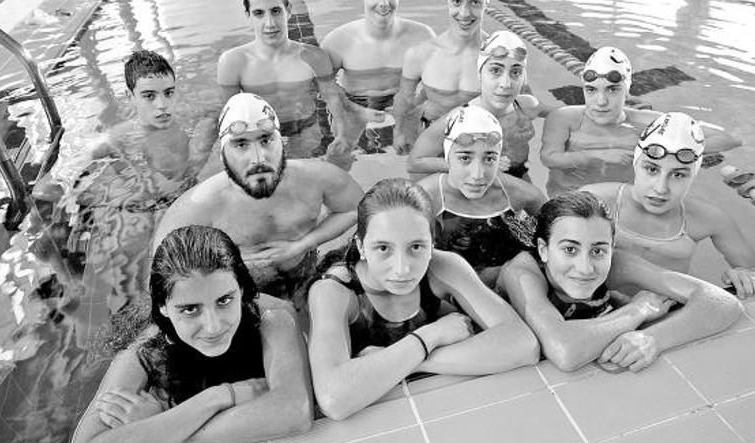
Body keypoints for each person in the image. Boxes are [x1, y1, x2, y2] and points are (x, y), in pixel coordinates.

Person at [306, 178, 539, 420]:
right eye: (383, 248)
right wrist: (432, 336)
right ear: (361, 246)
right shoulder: (334, 290)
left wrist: (414, 361)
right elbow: (333, 399)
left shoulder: (443, 266)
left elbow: (523, 344)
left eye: (416, 247)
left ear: (432, 243)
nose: (402, 269)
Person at [70, 225, 312, 443]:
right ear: (163, 306)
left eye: (224, 300)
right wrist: (217, 397)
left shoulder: (273, 317)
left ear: (241, 289)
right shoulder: (146, 348)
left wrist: (162, 429)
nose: (213, 326)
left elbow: (295, 412)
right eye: (190, 309)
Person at [497, 191, 743, 373]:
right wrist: (637, 310)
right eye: (570, 249)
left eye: (598, 250)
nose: (586, 267)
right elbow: (565, 351)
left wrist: (654, 339)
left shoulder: (617, 263)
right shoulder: (522, 274)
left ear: (611, 248)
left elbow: (723, 302)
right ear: (543, 249)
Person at [153, 93, 363, 302]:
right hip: (239, 296)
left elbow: (356, 208)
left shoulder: (317, 178)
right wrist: (232, 265)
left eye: (266, 140)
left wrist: (303, 244)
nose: (258, 157)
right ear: (222, 154)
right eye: (241, 144)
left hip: (305, 275)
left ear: (282, 142)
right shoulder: (198, 206)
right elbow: (161, 277)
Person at [68, 50, 216, 311]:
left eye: (169, 93)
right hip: (148, 210)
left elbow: (214, 115)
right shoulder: (120, 138)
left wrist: (200, 150)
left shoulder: (190, 120)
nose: (162, 105)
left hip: (186, 199)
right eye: (149, 96)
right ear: (130, 96)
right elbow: (83, 168)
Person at [582, 112, 755, 299]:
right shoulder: (594, 200)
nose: (661, 188)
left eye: (678, 175)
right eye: (652, 169)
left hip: (670, 309)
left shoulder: (709, 218)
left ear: (693, 175)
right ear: (635, 164)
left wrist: (748, 276)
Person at [216, 0, 381, 168]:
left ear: (289, 10)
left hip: (305, 127)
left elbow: (332, 99)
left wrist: (342, 136)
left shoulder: (314, 57)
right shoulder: (233, 63)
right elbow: (231, 118)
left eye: (276, 11)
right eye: (259, 13)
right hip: (258, 135)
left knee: (303, 175)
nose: (270, 23)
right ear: (248, 16)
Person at [539, 46, 742, 196]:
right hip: (568, 197)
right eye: (591, 90)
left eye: (613, 89)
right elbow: (549, 158)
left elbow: (728, 139)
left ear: (627, 90)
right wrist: (599, 155)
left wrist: (665, 148)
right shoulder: (565, 117)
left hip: (622, 202)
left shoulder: (646, 122)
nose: (600, 101)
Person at [321, 0, 436, 157]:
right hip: (356, 104)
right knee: (345, 152)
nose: (384, 3)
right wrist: (356, 111)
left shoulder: (422, 36)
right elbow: (327, 93)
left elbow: (434, 88)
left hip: (405, 106)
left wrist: (408, 113)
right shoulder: (337, 42)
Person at [417, 105, 546, 286]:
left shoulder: (524, 196)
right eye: (465, 158)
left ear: (500, 158)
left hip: (509, 282)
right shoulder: (424, 198)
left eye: (489, 158)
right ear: (446, 155)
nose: (477, 174)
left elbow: (552, 246)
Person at [407, 30, 549, 180]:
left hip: (518, 173)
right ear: (479, 74)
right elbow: (415, 162)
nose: (506, 84)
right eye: (495, 70)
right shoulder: (458, 119)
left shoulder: (527, 106)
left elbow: (560, 113)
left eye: (516, 72)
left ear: (524, 78)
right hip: (473, 180)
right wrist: (479, 163)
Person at [391, 0, 492, 153]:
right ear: (448, 1)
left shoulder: (499, 54)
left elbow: (523, 106)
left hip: (483, 147)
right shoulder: (420, 54)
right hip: (434, 142)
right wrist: (399, 132)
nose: (464, 13)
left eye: (475, 2)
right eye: (456, 1)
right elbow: (404, 99)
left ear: (486, 2)